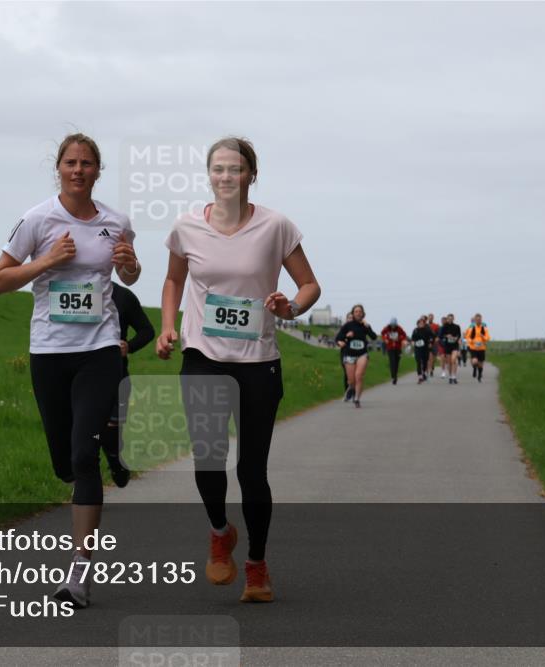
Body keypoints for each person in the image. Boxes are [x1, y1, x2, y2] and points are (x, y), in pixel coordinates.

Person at [156, 137, 320, 604]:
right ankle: (218, 531)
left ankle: (257, 564)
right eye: (219, 169)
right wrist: (168, 326)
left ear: (252, 175)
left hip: (258, 363)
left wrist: (290, 307)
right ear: (210, 175)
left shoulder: (275, 227)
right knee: (207, 459)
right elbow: (173, 279)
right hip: (203, 358)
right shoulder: (187, 227)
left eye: (236, 169)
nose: (227, 177)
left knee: (251, 470)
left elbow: (308, 284)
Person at [0, 133, 141, 609]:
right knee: (64, 463)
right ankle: (76, 477)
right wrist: (47, 261)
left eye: (87, 163)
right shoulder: (37, 219)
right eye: (71, 162)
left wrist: (131, 264)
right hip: (50, 351)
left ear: (98, 171)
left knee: (84, 455)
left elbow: (130, 276)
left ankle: (79, 573)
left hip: (99, 347)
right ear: (58, 168)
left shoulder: (116, 222)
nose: (78, 169)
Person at [100, 281, 155, 486]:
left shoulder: (123, 296)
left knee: (109, 431)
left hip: (116, 375)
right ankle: (88, 480)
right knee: (87, 432)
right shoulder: (68, 290)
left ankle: (115, 461)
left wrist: (129, 346)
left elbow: (147, 330)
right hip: (79, 375)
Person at [334, 304, 377, 407]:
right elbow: (338, 338)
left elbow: (374, 337)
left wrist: (368, 327)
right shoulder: (348, 325)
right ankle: (351, 388)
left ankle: (357, 399)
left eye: (360, 311)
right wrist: (345, 337)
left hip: (362, 354)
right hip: (349, 354)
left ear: (363, 314)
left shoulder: (365, 326)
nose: (358, 313)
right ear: (353, 313)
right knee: (351, 380)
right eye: (356, 311)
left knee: (359, 376)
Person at [378, 317, 408, 385]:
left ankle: (395, 375)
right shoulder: (387, 328)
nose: (393, 326)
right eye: (392, 325)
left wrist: (399, 338)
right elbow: (382, 334)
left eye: (394, 325)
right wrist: (385, 339)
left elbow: (404, 335)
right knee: (392, 362)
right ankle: (393, 377)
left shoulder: (399, 328)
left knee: (397, 362)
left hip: (398, 348)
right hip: (390, 347)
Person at [465, 313, 491, 382]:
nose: (478, 321)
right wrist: (471, 341)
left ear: (481, 320)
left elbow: (488, 338)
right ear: (475, 321)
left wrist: (483, 337)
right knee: (474, 361)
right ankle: (474, 368)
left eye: (479, 319)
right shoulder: (471, 328)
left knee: (480, 364)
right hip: (473, 348)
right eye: (477, 320)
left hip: (482, 348)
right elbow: (467, 337)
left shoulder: (484, 329)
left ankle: (479, 375)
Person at [437, 313, 462, 384]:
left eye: (451, 318)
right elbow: (440, 336)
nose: (450, 320)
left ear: (453, 319)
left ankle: (454, 376)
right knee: (449, 362)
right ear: (447, 319)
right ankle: (450, 376)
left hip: (455, 345)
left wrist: (455, 338)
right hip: (447, 346)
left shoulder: (457, 326)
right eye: (449, 319)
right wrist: (447, 336)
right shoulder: (444, 327)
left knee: (453, 360)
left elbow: (459, 335)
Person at [410, 316, 435, 383]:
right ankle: (420, 376)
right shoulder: (415, 330)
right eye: (419, 323)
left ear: (424, 324)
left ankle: (424, 372)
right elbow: (412, 338)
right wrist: (412, 342)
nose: (421, 324)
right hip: (417, 348)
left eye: (422, 323)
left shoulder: (427, 330)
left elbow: (432, 336)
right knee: (418, 362)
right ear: (417, 324)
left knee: (424, 362)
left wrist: (430, 343)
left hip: (425, 348)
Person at [338, 311, 354, 392]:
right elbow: (338, 339)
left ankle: (353, 390)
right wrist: (340, 342)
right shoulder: (343, 328)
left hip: (355, 353)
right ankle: (347, 391)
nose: (350, 319)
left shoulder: (357, 328)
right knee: (347, 372)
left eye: (352, 318)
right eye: (349, 318)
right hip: (345, 352)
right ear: (346, 319)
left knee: (354, 374)